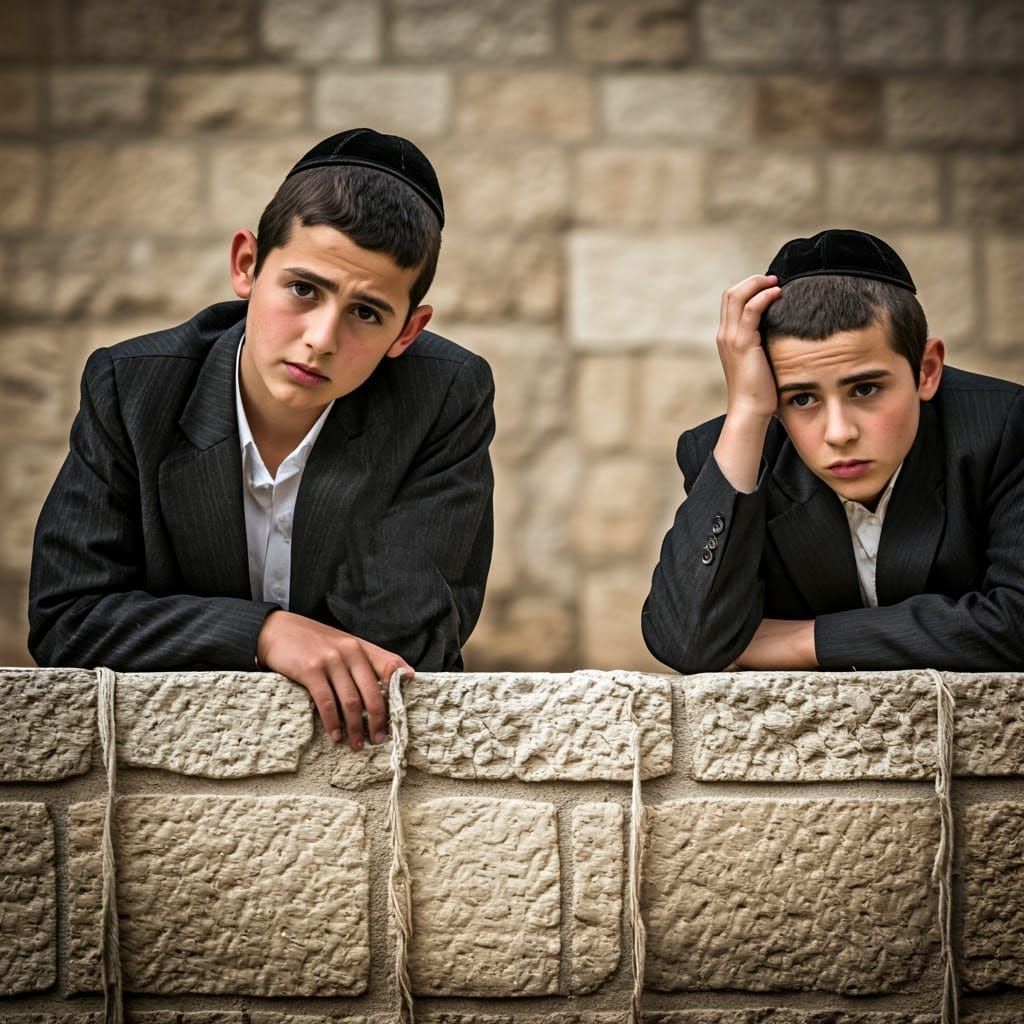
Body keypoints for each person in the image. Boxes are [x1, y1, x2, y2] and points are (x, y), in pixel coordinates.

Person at [29, 128, 495, 750]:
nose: (322, 338)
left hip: (362, 771)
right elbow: (69, 619)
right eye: (304, 290)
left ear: (407, 332)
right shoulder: (132, 388)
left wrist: (178, 629)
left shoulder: (443, 396)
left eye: (366, 313)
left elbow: (404, 644)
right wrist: (265, 633)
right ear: (246, 265)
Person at [642, 228, 1024, 674]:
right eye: (801, 399)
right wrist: (746, 411)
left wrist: (805, 639)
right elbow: (686, 642)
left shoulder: (1002, 428)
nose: (839, 433)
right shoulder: (734, 451)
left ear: (926, 370)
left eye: (865, 388)